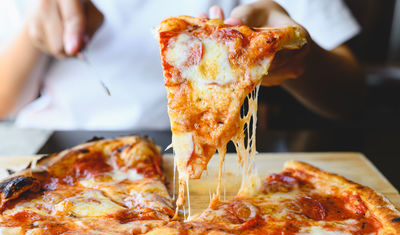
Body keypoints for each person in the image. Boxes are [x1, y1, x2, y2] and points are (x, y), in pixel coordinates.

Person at [0, 0, 365, 130]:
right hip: (61, 155)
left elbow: (352, 97)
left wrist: (298, 54)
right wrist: (36, 38)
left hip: (217, 165)